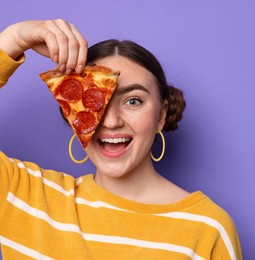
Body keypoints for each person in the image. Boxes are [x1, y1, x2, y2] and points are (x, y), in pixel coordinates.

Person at [0, 19, 242, 259]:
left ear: (160, 115)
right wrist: (14, 39)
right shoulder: (22, 195)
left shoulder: (208, 229)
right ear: (72, 112)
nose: (111, 121)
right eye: (96, 99)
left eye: (133, 101)